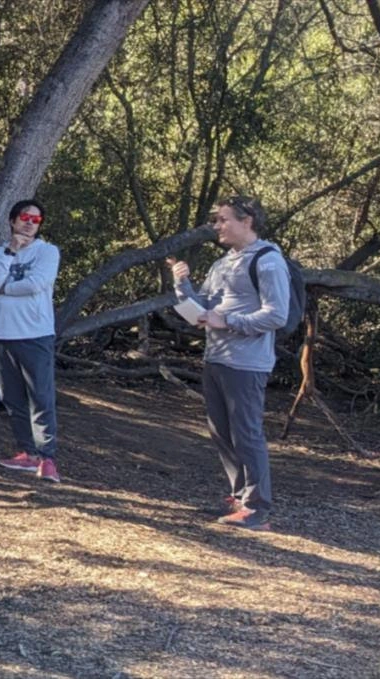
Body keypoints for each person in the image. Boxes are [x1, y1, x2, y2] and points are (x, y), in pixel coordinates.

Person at [168, 196, 290, 531]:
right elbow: (206, 306)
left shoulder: (267, 261)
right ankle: (240, 498)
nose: (217, 226)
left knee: (246, 433)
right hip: (216, 357)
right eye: (216, 220)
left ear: (246, 220)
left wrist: (228, 321)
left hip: (247, 363)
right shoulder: (223, 262)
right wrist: (182, 285)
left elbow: (276, 314)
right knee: (221, 431)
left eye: (223, 220)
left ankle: (257, 508)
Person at [0, 199, 63, 483]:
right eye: (25, 217)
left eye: (36, 220)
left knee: (41, 396)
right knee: (12, 398)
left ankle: (47, 457)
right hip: (1, 334)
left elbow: (36, 284)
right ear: (13, 220)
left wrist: (3, 288)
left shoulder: (47, 252)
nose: (30, 223)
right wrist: (10, 251)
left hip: (35, 334)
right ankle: (26, 453)